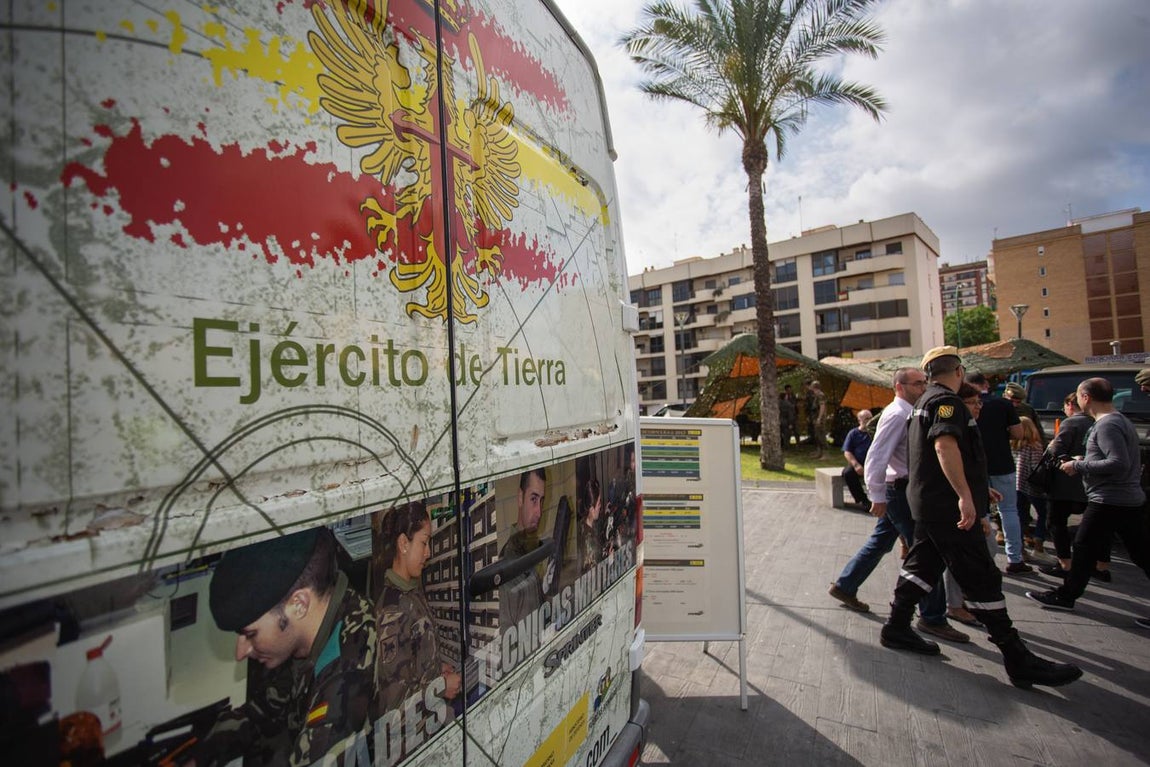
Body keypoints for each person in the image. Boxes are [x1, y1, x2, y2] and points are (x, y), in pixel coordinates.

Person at [880, 346, 1081, 689]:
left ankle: (896, 627)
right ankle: (1017, 657)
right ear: (958, 371)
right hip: (948, 507)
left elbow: (934, 457)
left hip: (930, 502)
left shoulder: (922, 402)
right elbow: (944, 447)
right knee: (980, 574)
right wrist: (964, 495)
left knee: (922, 566)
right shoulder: (946, 402)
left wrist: (976, 487)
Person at [198, 528, 377, 766]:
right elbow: (272, 703)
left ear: (299, 605)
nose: (240, 653)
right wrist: (201, 754)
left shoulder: (348, 671)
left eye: (250, 634)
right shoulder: (311, 626)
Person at [828, 368, 969, 644]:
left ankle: (846, 584)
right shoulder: (897, 414)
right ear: (899, 387)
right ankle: (933, 617)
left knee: (881, 542)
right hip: (900, 492)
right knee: (925, 553)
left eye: (924, 382)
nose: (923, 387)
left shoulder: (911, 411)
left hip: (902, 490)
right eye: (917, 383)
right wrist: (877, 495)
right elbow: (877, 455)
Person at [1026, 378, 1150, 622]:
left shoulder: (1108, 425)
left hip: (1111, 498)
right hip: (1121, 498)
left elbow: (1118, 463)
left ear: (1086, 397)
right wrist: (1085, 460)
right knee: (1135, 552)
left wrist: (1078, 465)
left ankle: (1066, 596)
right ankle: (1067, 595)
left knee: (1085, 546)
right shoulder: (1117, 421)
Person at [374, 501, 462, 738]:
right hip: (414, 742)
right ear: (404, 543)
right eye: (424, 542)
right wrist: (441, 687)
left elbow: (411, 662)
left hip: (431, 728)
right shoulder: (391, 613)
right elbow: (394, 708)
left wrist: (434, 668)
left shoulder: (411, 593)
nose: (428, 552)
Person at [1036, 393, 1109, 580]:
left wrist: (1052, 446)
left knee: (1056, 522)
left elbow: (1056, 451)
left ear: (1070, 404)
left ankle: (1065, 564)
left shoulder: (1071, 423)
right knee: (1099, 526)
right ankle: (1100, 567)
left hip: (1066, 483)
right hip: (1093, 484)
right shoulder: (1101, 422)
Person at [966, 371, 1029, 574]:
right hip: (1002, 463)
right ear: (985, 384)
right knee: (1009, 510)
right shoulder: (1003, 404)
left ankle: (985, 559)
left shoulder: (962, 404)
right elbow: (1018, 433)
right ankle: (1015, 559)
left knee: (981, 513)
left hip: (976, 466)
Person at [500, 468, 547, 627]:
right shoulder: (508, 561)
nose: (539, 512)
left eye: (542, 501)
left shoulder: (532, 548)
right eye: (533, 499)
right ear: (520, 498)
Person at [1013, 416, 1049, 558]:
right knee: (1043, 513)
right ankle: (1039, 544)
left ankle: (1020, 548)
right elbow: (1035, 467)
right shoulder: (1035, 445)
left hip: (1016, 485)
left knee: (1020, 517)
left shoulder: (1012, 445)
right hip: (1032, 486)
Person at [841, 409, 874, 510]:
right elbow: (847, 452)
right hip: (859, 463)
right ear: (859, 420)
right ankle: (863, 500)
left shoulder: (875, 433)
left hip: (873, 463)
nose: (869, 421)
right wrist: (856, 465)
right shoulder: (853, 433)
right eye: (866, 419)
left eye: (871, 418)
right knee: (848, 473)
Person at [579, 478, 607, 573]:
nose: (600, 506)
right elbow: (594, 572)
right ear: (591, 509)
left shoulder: (583, 524)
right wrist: (609, 560)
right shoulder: (588, 538)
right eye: (599, 503)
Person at [805, 380, 827, 458]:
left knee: (821, 435)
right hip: (815, 417)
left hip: (819, 418)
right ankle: (819, 452)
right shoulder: (816, 395)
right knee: (817, 435)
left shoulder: (820, 395)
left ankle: (825, 454)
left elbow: (822, 407)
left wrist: (819, 418)